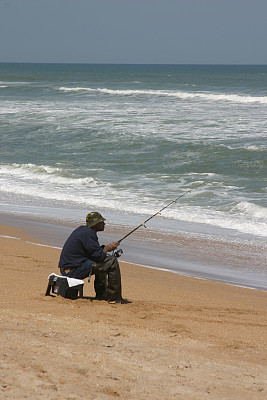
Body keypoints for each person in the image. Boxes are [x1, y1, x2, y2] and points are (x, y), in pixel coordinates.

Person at [58, 212, 128, 303]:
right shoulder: (89, 233)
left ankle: (102, 295)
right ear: (95, 224)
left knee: (104, 262)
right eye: (101, 222)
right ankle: (114, 298)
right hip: (72, 271)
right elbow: (99, 257)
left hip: (68, 268)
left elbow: (94, 252)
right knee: (111, 261)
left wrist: (107, 248)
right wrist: (107, 248)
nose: (104, 224)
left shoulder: (84, 231)